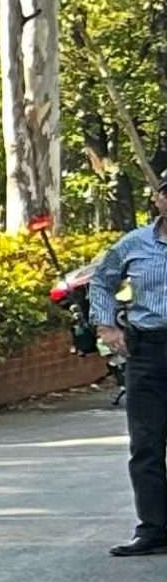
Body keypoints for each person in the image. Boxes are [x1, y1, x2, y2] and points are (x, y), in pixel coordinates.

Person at [90, 176, 167, 555]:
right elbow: (101, 282)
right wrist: (106, 325)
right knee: (146, 445)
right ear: (157, 199)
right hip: (148, 350)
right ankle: (153, 529)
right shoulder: (134, 243)